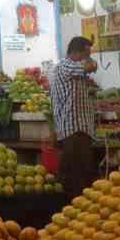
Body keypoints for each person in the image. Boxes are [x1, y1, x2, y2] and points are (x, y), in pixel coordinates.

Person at [49, 36, 98, 200]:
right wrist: (90, 59)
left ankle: (76, 209)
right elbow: (91, 66)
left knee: (80, 174)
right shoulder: (66, 65)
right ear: (78, 52)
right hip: (74, 130)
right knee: (75, 177)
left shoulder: (71, 68)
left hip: (78, 129)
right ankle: (72, 210)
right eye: (86, 53)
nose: (88, 56)